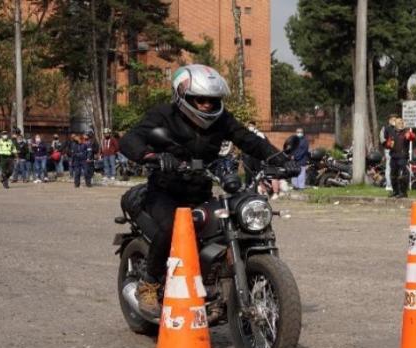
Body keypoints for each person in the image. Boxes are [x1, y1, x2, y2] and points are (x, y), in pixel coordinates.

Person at [120, 64, 293, 317]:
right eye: (200, 100)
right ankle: (149, 284)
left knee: (228, 224)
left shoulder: (222, 120)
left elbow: (247, 139)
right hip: (164, 192)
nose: (207, 106)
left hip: (199, 192)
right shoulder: (163, 115)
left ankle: (219, 282)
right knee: (171, 228)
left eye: (212, 101)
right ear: (183, 96)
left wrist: (279, 158)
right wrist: (150, 155)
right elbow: (130, 139)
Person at [388, 118, 416, 198]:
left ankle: (403, 192)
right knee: (393, 175)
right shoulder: (392, 132)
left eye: (402, 122)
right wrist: (389, 144)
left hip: (402, 157)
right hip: (393, 156)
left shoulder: (406, 132)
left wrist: (410, 135)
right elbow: (388, 144)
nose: (401, 123)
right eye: (399, 122)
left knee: (403, 175)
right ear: (395, 124)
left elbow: (413, 137)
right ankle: (395, 191)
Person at [380, 115, 397, 192]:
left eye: (395, 120)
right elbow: (382, 139)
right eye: (393, 120)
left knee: (396, 168)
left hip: (397, 151)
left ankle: (395, 185)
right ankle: (389, 185)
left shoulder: (398, 128)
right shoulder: (385, 128)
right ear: (389, 120)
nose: (394, 121)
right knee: (389, 167)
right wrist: (388, 145)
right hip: (389, 150)